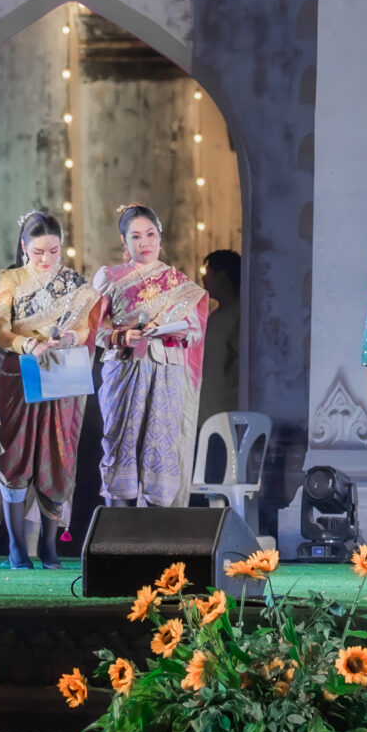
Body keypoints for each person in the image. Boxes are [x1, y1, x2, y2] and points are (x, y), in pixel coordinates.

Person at [0, 209, 99, 570]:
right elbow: (0, 331)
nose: (46, 259)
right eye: (38, 252)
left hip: (61, 374)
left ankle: (50, 547)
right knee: (16, 455)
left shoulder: (73, 282)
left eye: (54, 251)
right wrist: (28, 345)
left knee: (58, 456)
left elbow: (84, 329)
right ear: (23, 247)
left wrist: (70, 338)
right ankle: (17, 547)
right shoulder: (9, 280)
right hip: (21, 374)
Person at [93, 203, 212, 508]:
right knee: (121, 446)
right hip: (124, 371)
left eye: (150, 235)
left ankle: (156, 530)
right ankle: (117, 531)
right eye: (136, 236)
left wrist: (181, 332)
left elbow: (196, 331)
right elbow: (91, 330)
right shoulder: (110, 278)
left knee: (160, 448)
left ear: (160, 236)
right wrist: (120, 336)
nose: (144, 243)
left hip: (166, 372)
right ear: (123, 240)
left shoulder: (178, 283)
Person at [199, 248, 244, 440]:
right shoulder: (216, 317)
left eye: (208, 273)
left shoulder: (241, 316)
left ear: (222, 276)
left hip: (226, 413)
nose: (204, 279)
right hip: (207, 412)